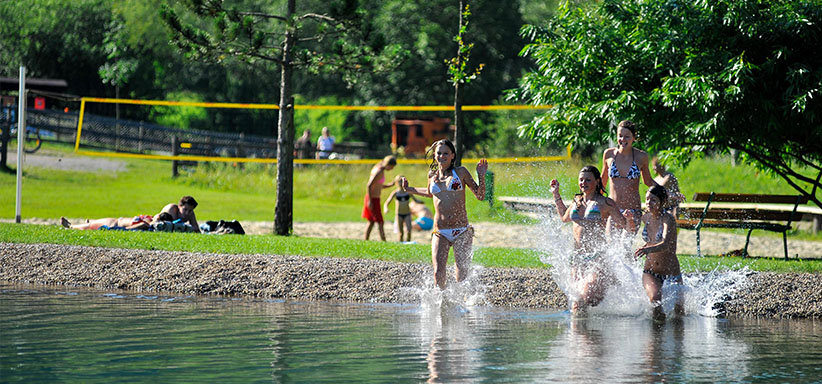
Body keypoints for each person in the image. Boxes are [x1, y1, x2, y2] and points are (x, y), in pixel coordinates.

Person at [401, 139, 487, 290]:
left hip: (461, 231)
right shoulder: (432, 175)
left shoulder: (461, 173)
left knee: (461, 273)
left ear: (452, 155)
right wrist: (410, 189)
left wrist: (481, 176)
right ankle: (441, 307)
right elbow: (429, 193)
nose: (442, 156)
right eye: (439, 153)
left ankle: (463, 306)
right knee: (438, 273)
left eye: (446, 153)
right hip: (440, 231)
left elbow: (480, 196)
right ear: (434, 156)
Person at [550, 165, 627, 312]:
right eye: (581, 179)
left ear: (597, 181)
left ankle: (608, 281)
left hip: (597, 258)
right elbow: (563, 218)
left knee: (587, 297)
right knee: (577, 306)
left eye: (588, 180)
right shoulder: (576, 201)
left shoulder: (606, 203)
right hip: (577, 260)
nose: (583, 183)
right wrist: (556, 195)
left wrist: (628, 219)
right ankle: (580, 333)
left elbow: (623, 224)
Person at [631, 185, 684, 321]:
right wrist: (628, 219)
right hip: (651, 272)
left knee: (679, 315)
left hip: (671, 273)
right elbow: (629, 227)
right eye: (647, 199)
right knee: (655, 301)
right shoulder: (646, 217)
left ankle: (677, 342)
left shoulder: (668, 220)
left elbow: (665, 244)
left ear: (662, 202)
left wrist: (647, 249)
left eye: (653, 200)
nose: (649, 203)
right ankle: (655, 340)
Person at [601, 120, 657, 232]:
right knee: (610, 245)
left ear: (634, 138)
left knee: (625, 246)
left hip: (632, 210)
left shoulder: (641, 157)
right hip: (613, 209)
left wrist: (667, 192)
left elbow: (648, 181)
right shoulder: (609, 154)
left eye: (627, 136)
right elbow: (602, 183)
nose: (623, 139)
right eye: (620, 136)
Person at [363, 155, 397, 241]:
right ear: (388, 164)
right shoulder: (378, 171)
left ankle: (365, 240)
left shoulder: (381, 168)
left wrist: (390, 185)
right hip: (373, 199)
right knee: (380, 221)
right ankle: (384, 241)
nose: (391, 169)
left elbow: (378, 186)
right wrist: (370, 201)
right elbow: (369, 185)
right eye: (391, 167)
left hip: (374, 198)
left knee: (371, 221)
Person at [384, 175, 414, 242]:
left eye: (402, 181)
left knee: (409, 231)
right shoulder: (395, 193)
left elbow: (415, 199)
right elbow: (387, 202)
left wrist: (422, 202)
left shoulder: (408, 192)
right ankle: (401, 244)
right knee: (401, 233)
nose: (401, 183)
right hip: (399, 214)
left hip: (407, 214)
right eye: (399, 181)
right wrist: (386, 208)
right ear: (396, 183)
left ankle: (408, 243)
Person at [60, 214, 155, 231]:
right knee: (91, 224)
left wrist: (119, 229)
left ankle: (71, 226)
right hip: (116, 220)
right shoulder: (151, 219)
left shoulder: (146, 225)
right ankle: (92, 223)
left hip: (114, 224)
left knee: (89, 226)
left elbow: (127, 229)